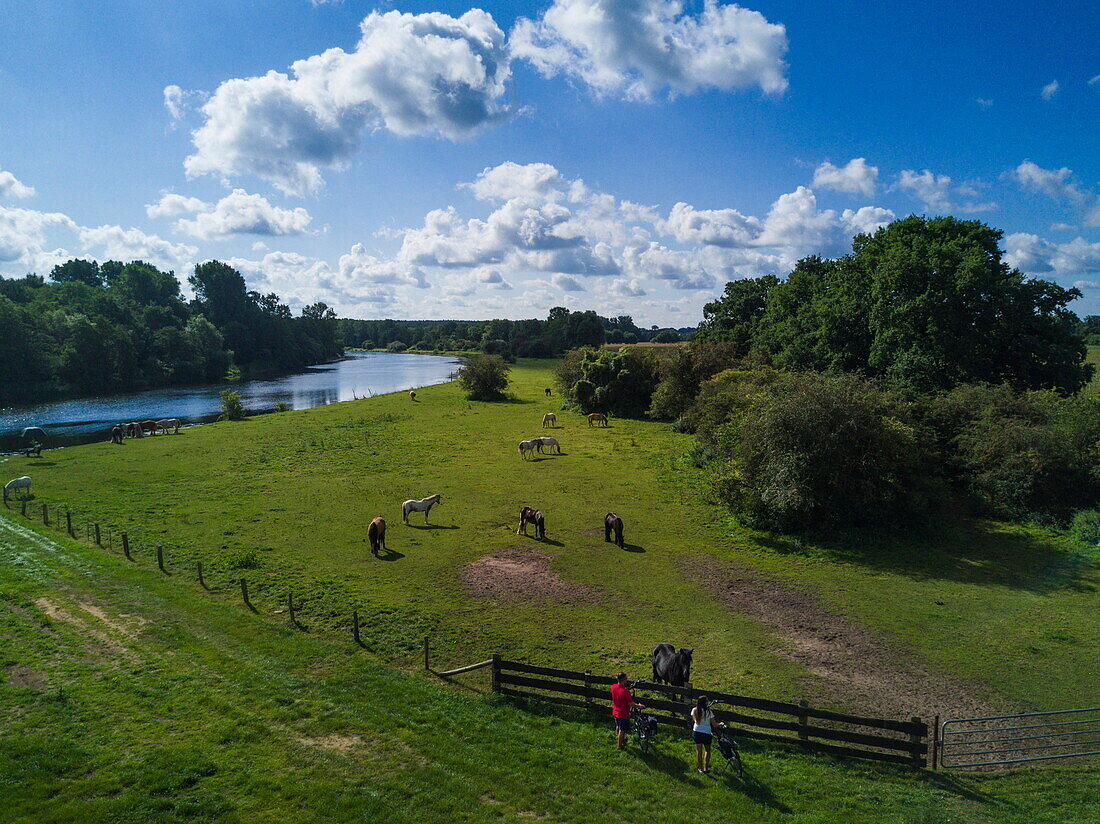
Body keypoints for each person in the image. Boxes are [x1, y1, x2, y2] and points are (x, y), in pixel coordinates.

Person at [610, 672, 644, 750]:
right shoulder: (625, 692)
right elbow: (631, 704)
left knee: (618, 726)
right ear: (624, 680)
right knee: (622, 730)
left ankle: (619, 740)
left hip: (615, 711)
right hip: (623, 713)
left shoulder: (613, 687)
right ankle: (619, 746)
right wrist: (639, 706)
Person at [690, 695, 724, 773]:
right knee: (707, 751)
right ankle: (706, 767)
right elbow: (714, 724)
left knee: (699, 751)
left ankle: (700, 768)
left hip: (697, 732)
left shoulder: (694, 710)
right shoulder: (708, 711)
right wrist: (720, 724)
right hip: (706, 733)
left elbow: (695, 720)